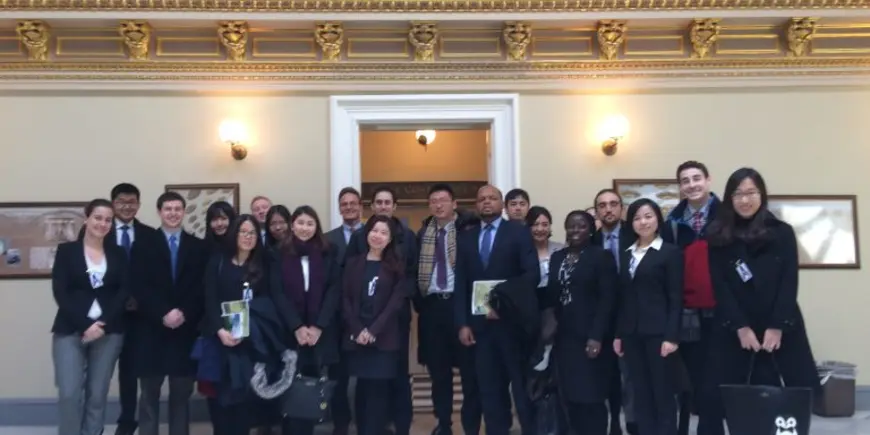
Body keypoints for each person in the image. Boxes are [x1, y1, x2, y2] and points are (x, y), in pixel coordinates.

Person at [704, 168, 820, 433]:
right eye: (738, 194)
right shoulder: (719, 236)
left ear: (762, 195)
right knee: (733, 402)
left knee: (783, 405)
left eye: (751, 193)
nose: (745, 200)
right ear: (729, 198)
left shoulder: (782, 233)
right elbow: (719, 286)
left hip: (779, 327)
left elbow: (789, 282)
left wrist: (777, 325)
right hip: (735, 329)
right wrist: (740, 327)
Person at [454, 185, 539, 435]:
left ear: (502, 204)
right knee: (490, 392)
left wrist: (501, 302)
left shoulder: (518, 233)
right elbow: (461, 283)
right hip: (480, 330)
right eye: (481, 199)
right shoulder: (466, 238)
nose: (486, 203)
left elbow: (530, 274)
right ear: (476, 205)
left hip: (513, 325)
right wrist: (462, 323)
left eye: (492, 198)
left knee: (521, 392)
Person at [133, 192, 209, 435]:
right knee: (149, 396)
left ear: (184, 212)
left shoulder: (198, 247)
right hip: (151, 329)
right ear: (159, 212)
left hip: (184, 331)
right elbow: (138, 285)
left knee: (180, 396)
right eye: (168, 209)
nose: (173, 213)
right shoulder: (143, 244)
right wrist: (162, 313)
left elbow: (201, 287)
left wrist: (183, 312)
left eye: (178, 209)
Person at [52, 199, 128, 435]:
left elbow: (124, 291)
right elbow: (60, 291)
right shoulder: (67, 251)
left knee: (97, 395)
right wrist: (86, 325)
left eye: (108, 220)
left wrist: (101, 324)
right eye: (98, 217)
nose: (102, 223)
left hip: (108, 332)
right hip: (70, 330)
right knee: (69, 394)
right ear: (86, 218)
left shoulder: (118, 253)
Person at [202, 214, 281, 435]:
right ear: (233, 234)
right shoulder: (217, 262)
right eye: (242, 232)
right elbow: (210, 299)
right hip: (220, 341)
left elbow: (272, 300)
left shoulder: (265, 263)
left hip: (251, 344)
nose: (247, 237)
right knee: (221, 402)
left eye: (252, 233)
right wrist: (220, 330)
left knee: (246, 404)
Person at [659, 161, 721, 435]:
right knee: (691, 381)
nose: (692, 184)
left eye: (697, 178)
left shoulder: (727, 216)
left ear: (708, 180)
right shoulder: (672, 222)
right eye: (685, 180)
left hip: (724, 312)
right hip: (688, 314)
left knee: (719, 380)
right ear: (680, 187)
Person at [415, 183, 482, 435]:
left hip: (461, 306)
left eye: (443, 200)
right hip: (433, 309)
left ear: (454, 204)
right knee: (438, 373)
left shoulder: (469, 231)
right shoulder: (424, 233)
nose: (438, 205)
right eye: (433, 201)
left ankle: (471, 425)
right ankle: (443, 424)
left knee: (469, 372)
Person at [613, 198, 683, 435]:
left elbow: (676, 298)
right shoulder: (626, 254)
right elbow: (623, 298)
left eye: (648, 216)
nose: (643, 222)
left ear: (658, 220)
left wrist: (671, 336)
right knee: (640, 393)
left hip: (659, 334)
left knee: (662, 394)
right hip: (632, 335)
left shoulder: (670, 253)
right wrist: (619, 334)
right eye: (637, 217)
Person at [546, 210, 618, 435]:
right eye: (571, 226)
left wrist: (596, 335)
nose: (575, 231)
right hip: (565, 337)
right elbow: (552, 294)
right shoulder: (558, 257)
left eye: (581, 226)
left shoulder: (601, 256)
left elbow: (608, 299)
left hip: (591, 337)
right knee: (570, 395)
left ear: (590, 229)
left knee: (592, 395)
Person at [275, 206, 343, 435]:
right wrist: (297, 327)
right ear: (292, 225)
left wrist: (317, 327)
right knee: (288, 389)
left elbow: (334, 290)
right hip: (289, 333)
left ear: (316, 227)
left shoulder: (328, 251)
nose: (305, 228)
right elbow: (277, 292)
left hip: (319, 334)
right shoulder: (278, 253)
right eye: (301, 223)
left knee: (311, 391)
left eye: (310, 223)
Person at [342, 215, 408, 435]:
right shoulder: (353, 263)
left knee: (378, 393)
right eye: (374, 230)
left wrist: (373, 330)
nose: (377, 236)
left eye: (383, 232)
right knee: (361, 390)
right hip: (357, 337)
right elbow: (345, 299)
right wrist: (357, 329)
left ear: (390, 239)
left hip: (383, 338)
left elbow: (395, 304)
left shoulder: (397, 266)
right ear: (366, 233)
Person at [107, 183, 157, 435]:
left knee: (133, 370)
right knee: (102, 370)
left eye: (132, 202)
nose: (127, 206)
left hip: (141, 314)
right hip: (107, 314)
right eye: (121, 201)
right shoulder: (98, 232)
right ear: (113, 204)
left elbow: (155, 277)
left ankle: (128, 422)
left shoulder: (150, 234)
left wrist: (141, 299)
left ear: (138, 204)